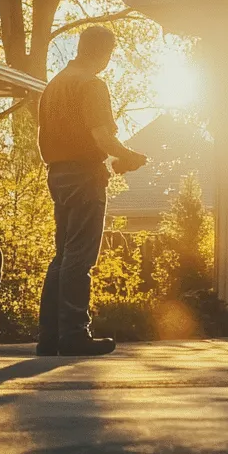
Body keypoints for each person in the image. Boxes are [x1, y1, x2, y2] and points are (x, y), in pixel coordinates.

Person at [35, 25, 147, 356]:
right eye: (110, 54)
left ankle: (49, 335)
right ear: (102, 52)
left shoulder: (54, 85)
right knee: (79, 258)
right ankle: (73, 334)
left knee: (63, 255)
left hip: (57, 174)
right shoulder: (91, 85)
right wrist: (128, 156)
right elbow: (100, 136)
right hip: (84, 176)